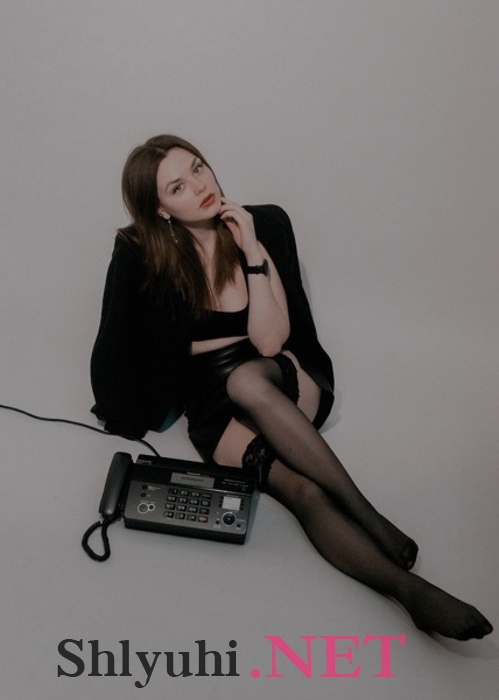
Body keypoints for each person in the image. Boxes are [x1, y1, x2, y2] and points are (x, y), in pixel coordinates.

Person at [91, 134, 492, 641]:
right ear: (161, 209)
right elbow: (126, 343)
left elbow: (269, 340)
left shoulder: (261, 226)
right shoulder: (148, 257)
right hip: (212, 401)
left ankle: (368, 515)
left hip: (274, 375)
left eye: (197, 167)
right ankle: (409, 594)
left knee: (246, 378)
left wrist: (251, 249)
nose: (199, 184)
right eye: (178, 186)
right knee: (301, 491)